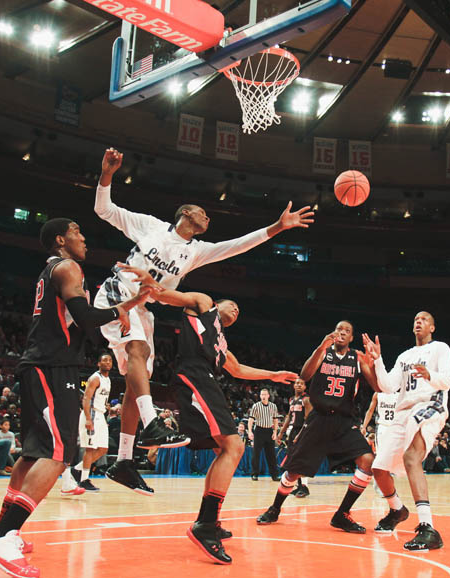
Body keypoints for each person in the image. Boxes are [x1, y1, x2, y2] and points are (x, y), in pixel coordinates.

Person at [92, 148, 314, 494]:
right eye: (203, 213)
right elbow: (103, 210)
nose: (208, 218)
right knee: (136, 353)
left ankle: (123, 461)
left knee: (139, 382)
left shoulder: (195, 251)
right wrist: (107, 174)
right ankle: (152, 424)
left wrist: (277, 227)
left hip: (145, 309)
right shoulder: (149, 227)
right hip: (119, 295)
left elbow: (237, 245)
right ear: (185, 213)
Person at [0, 218, 154, 578]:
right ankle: (1, 535)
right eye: (77, 231)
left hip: (47, 364)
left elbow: (79, 319)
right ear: (61, 239)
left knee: (34, 454)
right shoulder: (69, 266)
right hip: (52, 366)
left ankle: (6, 531)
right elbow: (86, 318)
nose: (84, 237)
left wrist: (127, 304)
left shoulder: (54, 270)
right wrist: (120, 310)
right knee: (58, 455)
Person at [121, 263, 297, 564]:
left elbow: (238, 369)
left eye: (240, 311)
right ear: (220, 304)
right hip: (194, 375)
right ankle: (205, 523)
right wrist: (155, 285)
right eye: (234, 305)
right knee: (235, 446)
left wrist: (274, 374)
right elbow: (169, 297)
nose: (237, 311)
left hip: (203, 380)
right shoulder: (204, 303)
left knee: (223, 449)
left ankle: (209, 520)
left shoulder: (221, 342)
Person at [256, 321, 379, 534]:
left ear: (351, 338)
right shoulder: (324, 353)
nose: (342, 332)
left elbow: (378, 387)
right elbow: (304, 375)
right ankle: (275, 508)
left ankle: (342, 514)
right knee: (293, 472)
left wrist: (374, 363)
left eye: (347, 331)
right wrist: (320, 348)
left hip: (344, 421)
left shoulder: (358, 359)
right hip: (319, 418)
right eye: (339, 329)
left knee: (367, 461)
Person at [362, 311, 450, 551]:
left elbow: (447, 381)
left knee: (411, 457)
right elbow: (388, 386)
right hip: (403, 412)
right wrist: (378, 360)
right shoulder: (405, 356)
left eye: (423, 319)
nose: (418, 322)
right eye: (415, 319)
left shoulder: (440, 348)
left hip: (430, 404)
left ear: (432, 327)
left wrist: (428, 374)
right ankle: (397, 510)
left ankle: (428, 527)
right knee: (379, 469)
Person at [62, 353, 113, 494]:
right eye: (104, 360)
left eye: (109, 360)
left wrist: (108, 407)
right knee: (90, 449)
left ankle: (77, 470)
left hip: (101, 414)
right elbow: (86, 398)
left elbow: (99, 398)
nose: (107, 362)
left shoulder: (107, 380)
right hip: (92, 414)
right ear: (98, 363)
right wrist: (88, 418)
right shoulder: (95, 378)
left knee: (103, 449)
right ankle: (84, 479)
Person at [276, 377, 312, 497]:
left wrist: (301, 434)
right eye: (297, 383)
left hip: (302, 430)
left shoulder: (306, 399)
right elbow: (288, 417)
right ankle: (299, 486)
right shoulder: (292, 399)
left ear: (305, 387)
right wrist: (281, 432)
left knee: (301, 460)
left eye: (301, 383)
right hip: (292, 431)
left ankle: (305, 487)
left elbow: (308, 419)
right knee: (294, 460)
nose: (298, 385)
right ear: (293, 386)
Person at [362, 391, 405, 477]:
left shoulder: (400, 395)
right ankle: (380, 473)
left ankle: (391, 471)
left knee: (394, 452)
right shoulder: (378, 394)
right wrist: (364, 426)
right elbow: (370, 411)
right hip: (382, 426)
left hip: (395, 427)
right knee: (380, 453)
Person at [247, 389, 280, 482]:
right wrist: (249, 431)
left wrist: (275, 432)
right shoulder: (256, 406)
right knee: (256, 453)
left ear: (268, 395)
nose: (263, 396)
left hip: (269, 430)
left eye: (265, 394)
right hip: (259, 430)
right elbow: (251, 419)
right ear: (260, 396)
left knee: (271, 454)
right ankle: (254, 474)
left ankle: (274, 475)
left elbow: (275, 420)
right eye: (262, 394)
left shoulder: (273, 406)